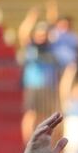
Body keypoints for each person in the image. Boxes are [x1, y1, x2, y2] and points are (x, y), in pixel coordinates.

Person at [17, 11, 60, 142]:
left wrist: (52, 13)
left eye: (44, 34)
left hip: (48, 87)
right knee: (31, 114)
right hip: (33, 86)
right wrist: (31, 18)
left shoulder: (50, 48)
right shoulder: (31, 47)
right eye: (39, 34)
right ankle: (28, 142)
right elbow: (23, 33)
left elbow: (54, 29)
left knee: (44, 115)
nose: (42, 37)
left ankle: (40, 140)